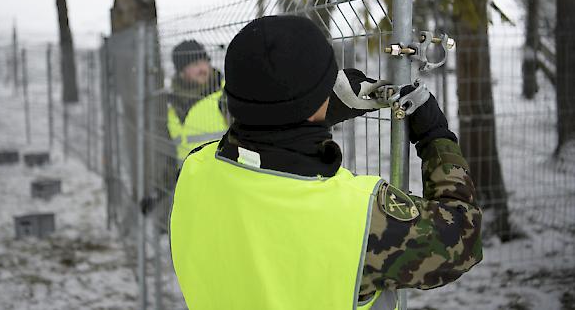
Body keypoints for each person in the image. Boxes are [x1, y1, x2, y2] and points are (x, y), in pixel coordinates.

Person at [170, 16, 482, 310]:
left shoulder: (194, 172)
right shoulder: (361, 216)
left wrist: (310, 114)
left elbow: (258, 138)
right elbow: (463, 238)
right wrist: (435, 136)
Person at [167, 40, 229, 162]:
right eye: (195, 64)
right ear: (181, 72)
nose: (202, 68)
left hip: (220, 178)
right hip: (188, 179)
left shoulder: (225, 95)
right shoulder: (173, 106)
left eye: (205, 61)